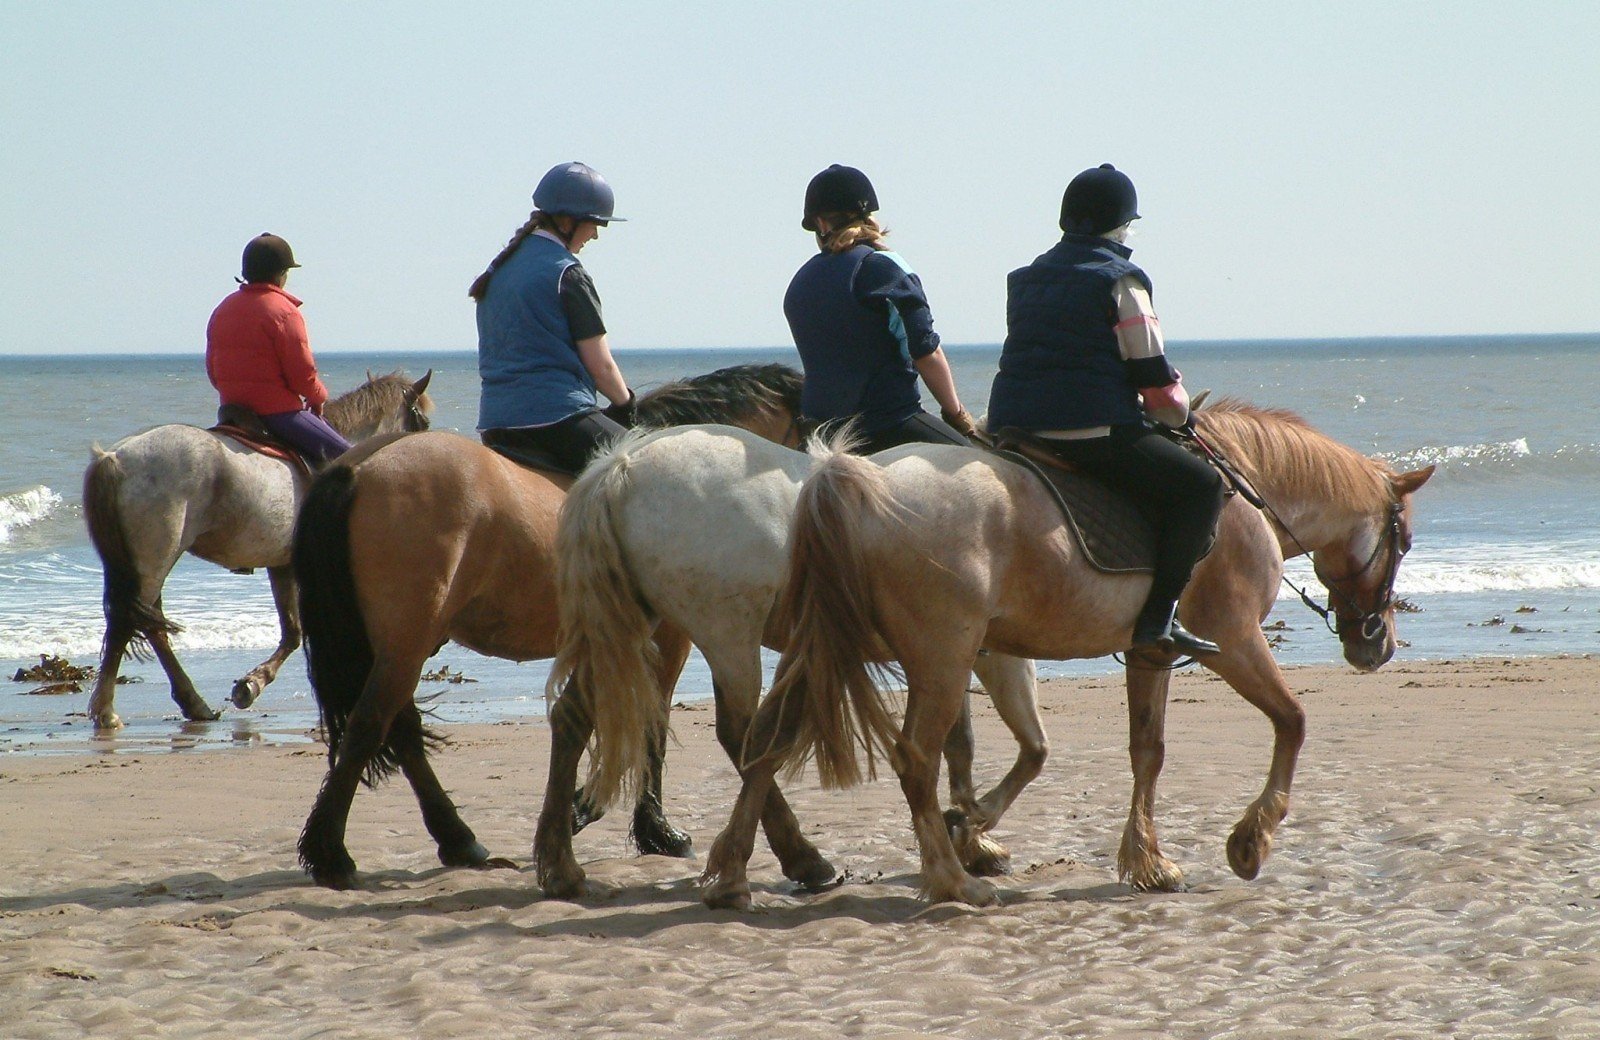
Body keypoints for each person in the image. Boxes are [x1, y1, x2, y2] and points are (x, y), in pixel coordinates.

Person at [986, 164, 1225, 657]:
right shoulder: (1123, 281)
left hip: (1013, 427)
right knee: (1202, 487)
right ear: (1119, 225)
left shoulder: (1025, 277)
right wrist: (1183, 419)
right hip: (1090, 432)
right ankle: (1159, 619)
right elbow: (1154, 381)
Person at [783, 164, 975, 454]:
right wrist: (956, 414)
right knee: (985, 468)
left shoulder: (799, 283)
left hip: (821, 436)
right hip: (889, 424)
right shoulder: (883, 267)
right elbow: (926, 352)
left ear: (821, 224)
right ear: (868, 215)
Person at [471, 161, 636, 475]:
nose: (596, 236)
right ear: (566, 221)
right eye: (595, 224)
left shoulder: (499, 272)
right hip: (556, 419)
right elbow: (601, 367)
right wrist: (627, 404)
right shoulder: (567, 273)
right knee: (649, 465)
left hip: (494, 423)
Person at [206, 233, 353, 464]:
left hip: (231, 412)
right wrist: (318, 397)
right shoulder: (285, 312)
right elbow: (302, 374)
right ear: (281, 274)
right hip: (279, 415)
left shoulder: (222, 309)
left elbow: (214, 373)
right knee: (351, 460)